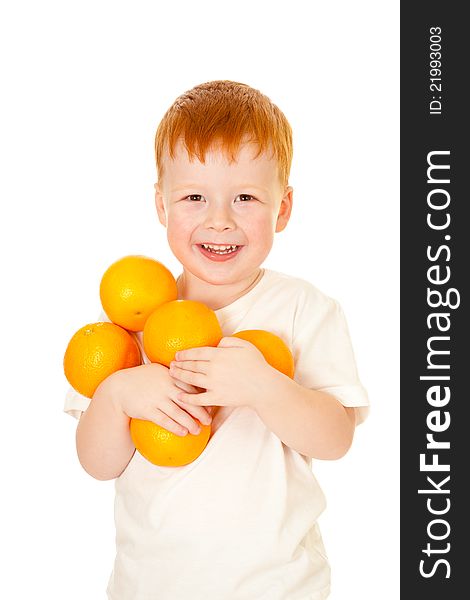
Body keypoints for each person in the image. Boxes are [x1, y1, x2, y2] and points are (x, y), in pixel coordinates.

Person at [64, 80, 369, 600]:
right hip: (149, 587)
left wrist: (265, 387)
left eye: (246, 197)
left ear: (284, 208)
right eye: (194, 197)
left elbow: (335, 439)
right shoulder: (128, 318)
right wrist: (117, 396)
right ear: (161, 205)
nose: (219, 219)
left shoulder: (303, 309)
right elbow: (97, 464)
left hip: (278, 587)